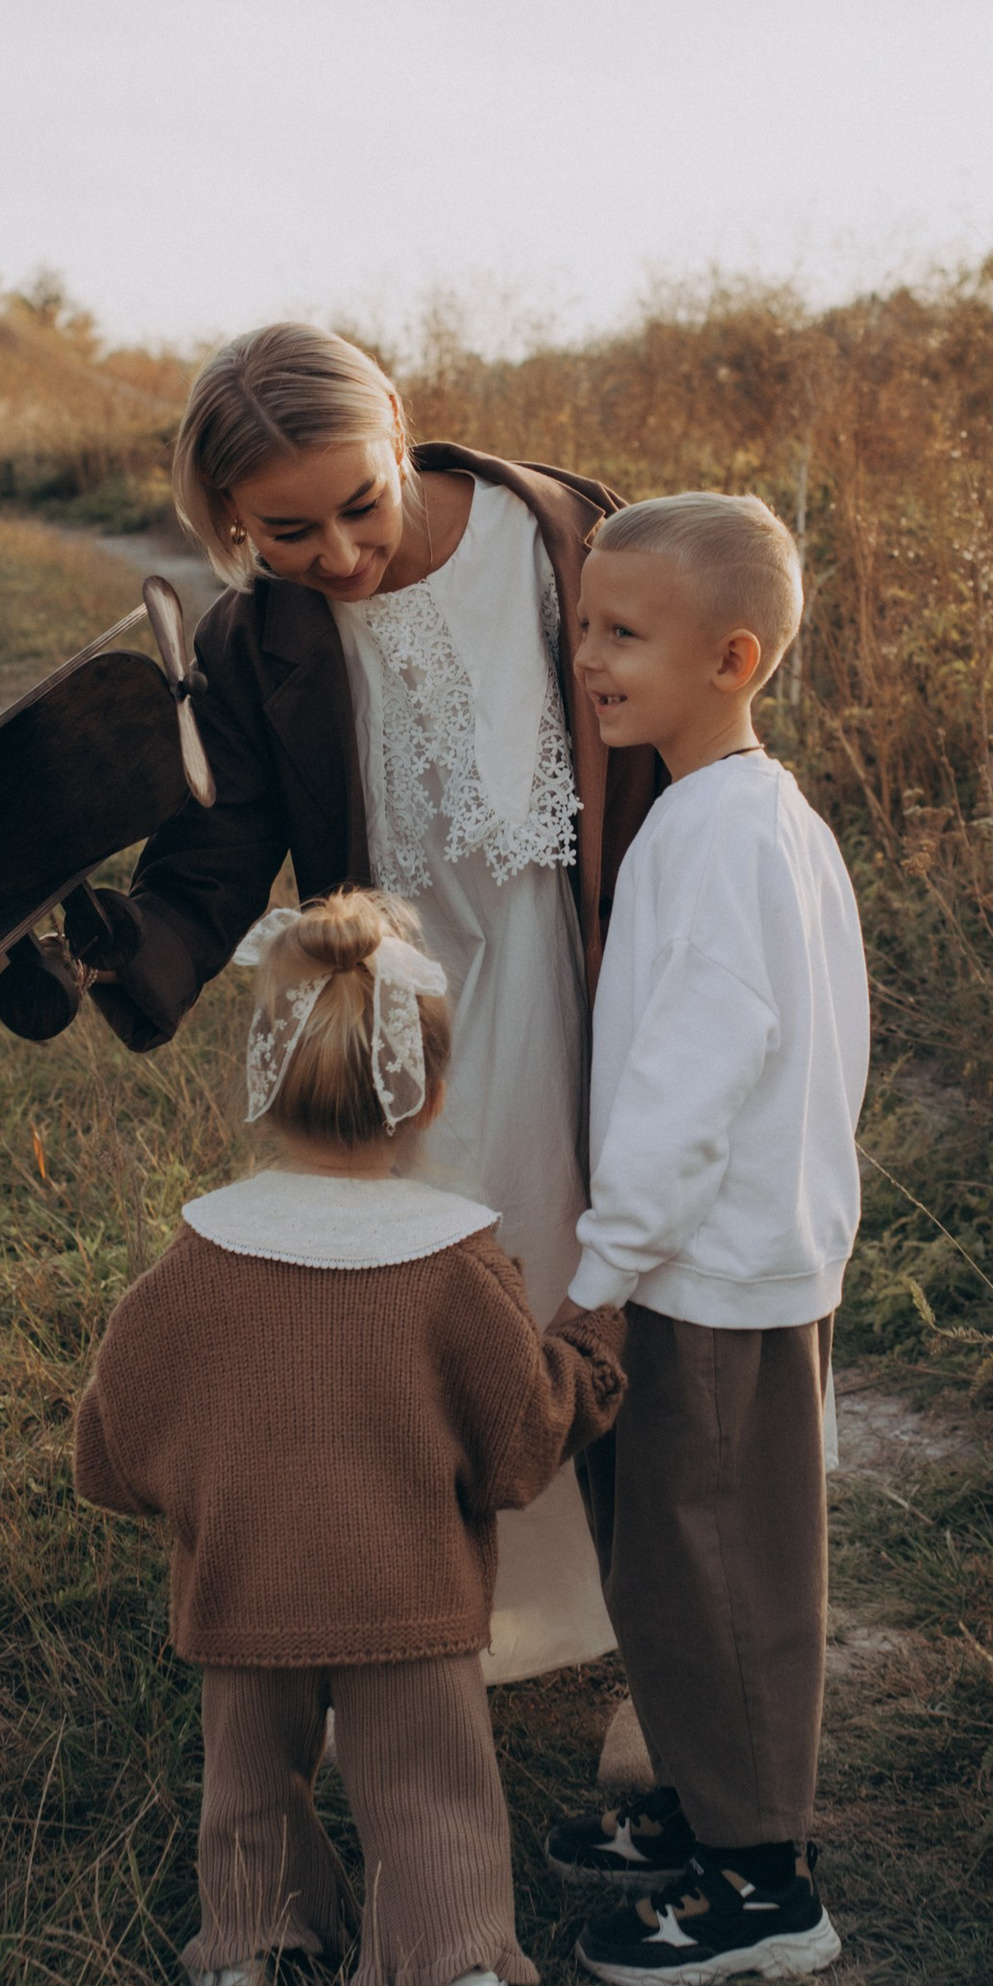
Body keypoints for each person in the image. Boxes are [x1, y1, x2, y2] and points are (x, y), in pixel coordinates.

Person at [67, 323, 657, 1683]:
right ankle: (443, 1616)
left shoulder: (560, 533)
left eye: (360, 505)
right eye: (284, 531)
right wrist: (121, 948)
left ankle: (647, 1625)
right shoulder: (258, 639)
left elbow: (680, 705)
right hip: (420, 1015)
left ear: (400, 430)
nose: (337, 554)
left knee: (618, 1273)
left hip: (598, 969)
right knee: (444, 1300)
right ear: (223, 521)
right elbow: (220, 852)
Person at [70, 893, 626, 1986]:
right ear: (429, 1097)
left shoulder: (199, 1257)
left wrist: (171, 1490)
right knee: (430, 1790)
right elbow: (521, 1441)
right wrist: (590, 1354)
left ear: (263, 1084)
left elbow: (117, 1426)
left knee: (249, 1785)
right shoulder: (454, 1264)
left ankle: (240, 1966)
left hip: (242, 1594)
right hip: (406, 1599)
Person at [541, 493, 870, 1986]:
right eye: (585, 625)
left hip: (707, 1277)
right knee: (670, 1562)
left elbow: (700, 1070)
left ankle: (763, 1887)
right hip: (713, 1261)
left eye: (624, 635)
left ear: (732, 655)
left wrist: (606, 1272)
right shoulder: (735, 814)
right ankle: (701, 1797)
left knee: (717, 1566)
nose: (589, 657)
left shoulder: (724, 832)